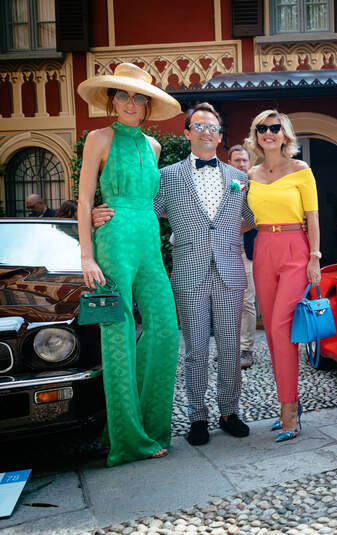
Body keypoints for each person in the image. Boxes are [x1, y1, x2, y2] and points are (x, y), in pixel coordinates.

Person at [93, 102, 254, 447]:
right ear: (187, 133)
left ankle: (230, 411)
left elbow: (253, 218)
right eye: (199, 126)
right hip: (188, 271)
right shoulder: (167, 176)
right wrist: (103, 213)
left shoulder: (240, 179)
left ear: (220, 134)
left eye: (213, 127)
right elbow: (142, 214)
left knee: (229, 347)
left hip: (230, 270)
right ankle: (197, 416)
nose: (206, 132)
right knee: (195, 349)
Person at [75, 63, 181, 466]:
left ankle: (150, 426)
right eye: (124, 95)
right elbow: (85, 200)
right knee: (117, 335)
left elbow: (152, 202)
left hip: (149, 239)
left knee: (165, 329)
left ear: (148, 104)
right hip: (114, 238)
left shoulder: (153, 147)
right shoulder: (98, 138)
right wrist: (86, 254)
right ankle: (127, 439)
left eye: (139, 97)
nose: (131, 103)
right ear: (111, 100)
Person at [244, 109, 320, 443]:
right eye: (262, 128)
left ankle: (289, 410)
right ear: (256, 134)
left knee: (279, 327)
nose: (268, 133)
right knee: (273, 336)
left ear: (285, 134)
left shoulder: (301, 170)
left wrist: (315, 257)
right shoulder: (251, 174)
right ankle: (288, 403)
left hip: (295, 249)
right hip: (263, 248)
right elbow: (244, 218)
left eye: (275, 128)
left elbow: (312, 216)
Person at [229, 144, 257, 369]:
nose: (241, 164)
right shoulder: (226, 187)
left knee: (246, 300)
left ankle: (246, 349)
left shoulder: (256, 186)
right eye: (237, 160)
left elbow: (255, 218)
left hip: (247, 252)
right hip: (224, 251)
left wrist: (230, 227)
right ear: (229, 163)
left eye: (244, 160)